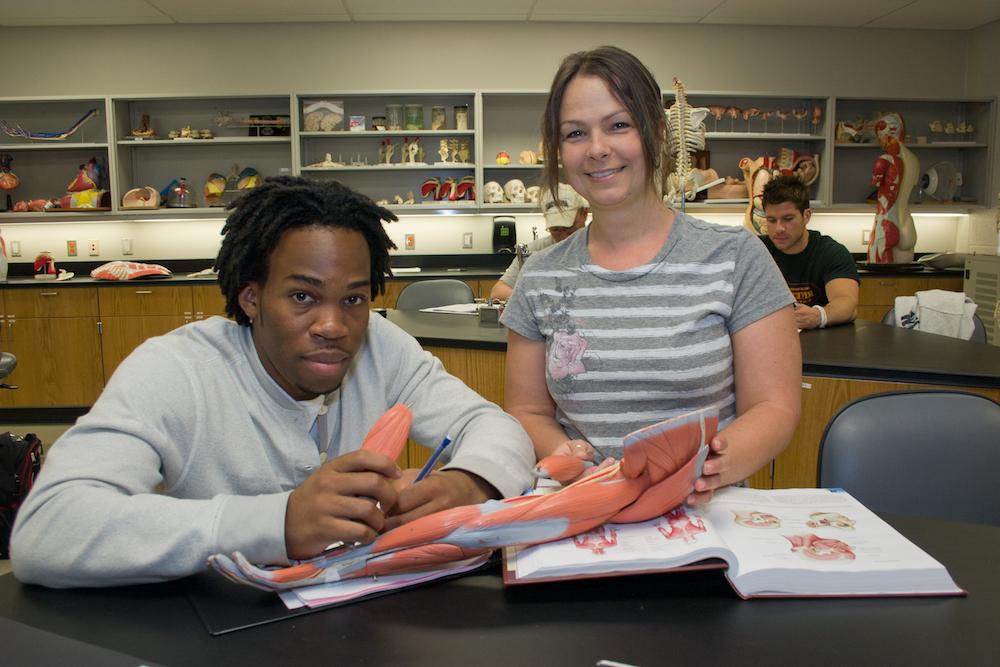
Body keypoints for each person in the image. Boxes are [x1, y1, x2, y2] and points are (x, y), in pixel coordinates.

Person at [10, 177, 535, 588]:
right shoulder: (174, 370)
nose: (334, 325)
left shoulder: (381, 344)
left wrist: (466, 484)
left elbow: (492, 426)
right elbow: (49, 529)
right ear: (251, 297)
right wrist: (277, 522)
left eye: (353, 298)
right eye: (303, 297)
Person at [500, 46, 801, 506]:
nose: (598, 148)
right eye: (576, 133)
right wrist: (565, 455)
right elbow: (527, 409)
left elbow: (774, 408)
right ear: (559, 151)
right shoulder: (539, 275)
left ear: (656, 132)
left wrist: (705, 468)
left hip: (704, 512)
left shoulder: (737, 257)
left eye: (618, 125)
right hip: (581, 506)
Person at [760, 175, 859, 330]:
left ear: (806, 216)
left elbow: (847, 304)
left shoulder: (831, 253)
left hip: (824, 344)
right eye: (772, 220)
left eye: (788, 219)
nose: (779, 228)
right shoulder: (757, 251)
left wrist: (819, 315)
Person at [489, 183, 588, 301]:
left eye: (568, 229)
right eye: (555, 229)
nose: (562, 237)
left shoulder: (601, 249)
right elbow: (498, 291)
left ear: (584, 214)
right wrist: (537, 301)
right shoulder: (534, 251)